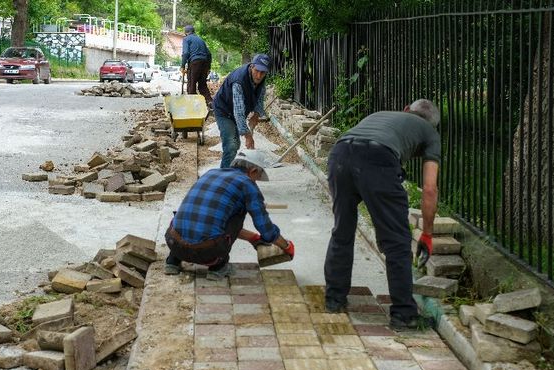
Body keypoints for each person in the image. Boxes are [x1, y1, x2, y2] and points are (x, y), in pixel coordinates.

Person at [323, 99, 441, 330]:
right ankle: (404, 316)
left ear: (406, 109)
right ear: (432, 125)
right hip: (378, 159)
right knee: (397, 242)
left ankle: (334, 300)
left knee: (342, 231)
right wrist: (427, 234)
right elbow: (429, 189)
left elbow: (358, 146)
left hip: (339, 153)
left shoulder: (381, 114)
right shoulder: (430, 133)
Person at [164, 149, 295, 280]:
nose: (256, 182)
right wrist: (286, 246)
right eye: (257, 178)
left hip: (174, 243)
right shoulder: (247, 184)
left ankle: (172, 261)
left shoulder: (211, 173)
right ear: (253, 171)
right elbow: (265, 229)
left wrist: (253, 238)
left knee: (194, 215)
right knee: (238, 213)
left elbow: (214, 221)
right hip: (208, 254)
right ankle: (218, 267)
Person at [212, 53, 270, 168]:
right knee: (231, 145)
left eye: (262, 73)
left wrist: (256, 115)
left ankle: (230, 171)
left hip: (236, 111)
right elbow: (239, 111)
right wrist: (248, 135)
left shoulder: (261, 79)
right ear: (252, 66)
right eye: (257, 71)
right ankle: (225, 178)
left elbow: (260, 97)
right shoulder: (239, 80)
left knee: (236, 144)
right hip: (224, 110)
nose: (259, 76)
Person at [181, 25, 213, 106]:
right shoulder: (201, 40)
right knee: (202, 85)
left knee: (191, 84)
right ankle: (210, 103)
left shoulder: (186, 39)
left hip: (195, 62)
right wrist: (208, 68)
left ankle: (193, 106)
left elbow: (186, 53)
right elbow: (209, 54)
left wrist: (182, 66)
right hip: (205, 63)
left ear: (186, 33)